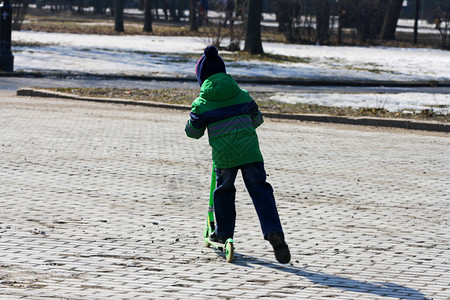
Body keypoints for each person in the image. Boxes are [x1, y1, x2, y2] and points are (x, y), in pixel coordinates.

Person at [185, 46, 291, 264]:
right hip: (251, 153)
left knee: (224, 193)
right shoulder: (242, 95)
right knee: (261, 192)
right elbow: (257, 119)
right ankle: (273, 231)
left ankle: (223, 234)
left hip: (225, 158)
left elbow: (193, 132)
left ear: (201, 78)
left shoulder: (202, 103)